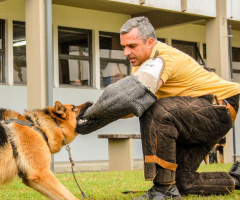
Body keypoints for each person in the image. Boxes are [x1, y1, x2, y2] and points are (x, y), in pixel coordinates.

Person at [76, 16, 240, 199]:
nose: (126, 52)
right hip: (194, 116)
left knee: (157, 111)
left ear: (150, 42)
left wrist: (87, 114)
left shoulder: (162, 57)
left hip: (218, 107)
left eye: (132, 46)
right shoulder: (141, 68)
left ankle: (164, 189)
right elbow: (130, 106)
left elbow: (128, 96)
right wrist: (85, 122)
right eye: (123, 47)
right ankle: (236, 179)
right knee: (183, 182)